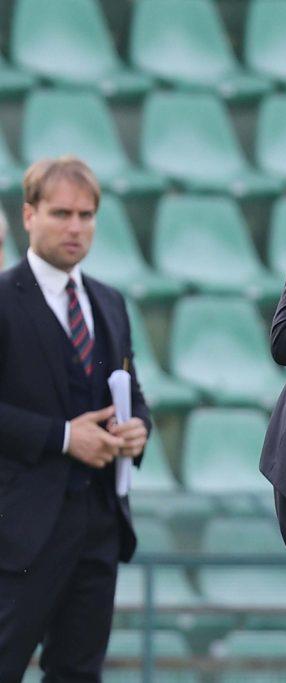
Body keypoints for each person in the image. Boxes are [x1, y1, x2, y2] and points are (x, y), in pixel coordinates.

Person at [0, 156, 150, 681]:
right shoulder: (2, 299)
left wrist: (138, 431)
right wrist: (65, 437)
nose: (75, 227)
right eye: (61, 213)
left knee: (79, 673)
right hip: (19, 531)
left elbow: (132, 392)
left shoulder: (109, 302)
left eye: (86, 215)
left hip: (100, 525)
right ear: (28, 216)